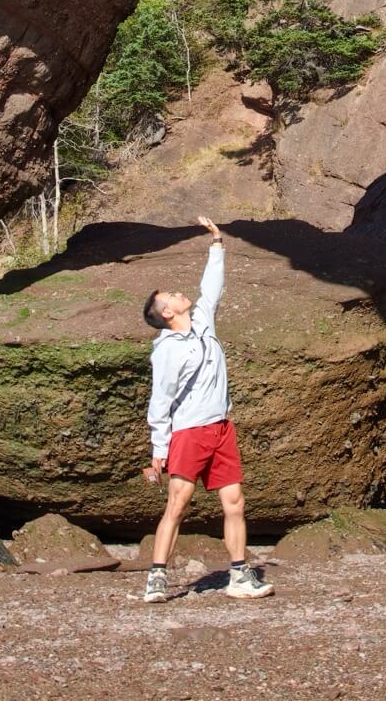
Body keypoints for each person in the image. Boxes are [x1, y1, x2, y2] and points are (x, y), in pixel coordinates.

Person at [139, 216, 273, 602]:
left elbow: (210, 288)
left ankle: (239, 576)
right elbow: (160, 402)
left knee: (235, 502)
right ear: (166, 313)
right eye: (172, 296)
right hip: (189, 433)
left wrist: (217, 243)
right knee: (177, 504)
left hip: (220, 428)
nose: (181, 294)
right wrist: (159, 450)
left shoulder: (202, 322)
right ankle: (157, 578)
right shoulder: (166, 351)